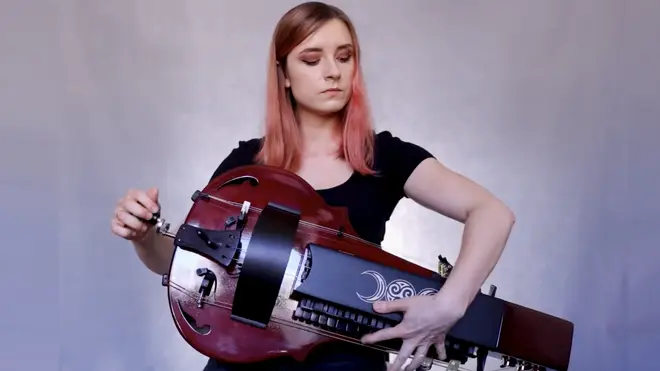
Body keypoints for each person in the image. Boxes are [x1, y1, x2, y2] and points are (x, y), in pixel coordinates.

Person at [110, 2, 516, 371]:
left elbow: (492, 214)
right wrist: (144, 236)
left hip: (345, 359)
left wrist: (450, 303)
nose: (333, 72)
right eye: (311, 59)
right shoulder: (247, 166)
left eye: (345, 56)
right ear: (283, 74)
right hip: (245, 353)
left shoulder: (385, 156)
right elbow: (181, 261)